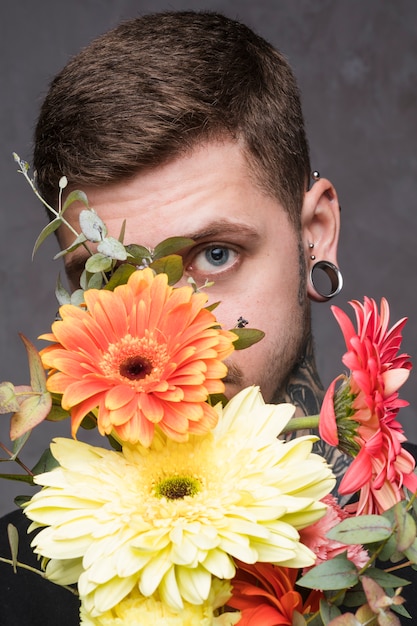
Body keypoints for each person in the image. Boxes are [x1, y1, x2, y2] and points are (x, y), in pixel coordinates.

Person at [0, 9, 377, 625]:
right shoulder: (13, 584)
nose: (171, 342)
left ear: (316, 234)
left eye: (215, 255)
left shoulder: (401, 544)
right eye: (108, 277)